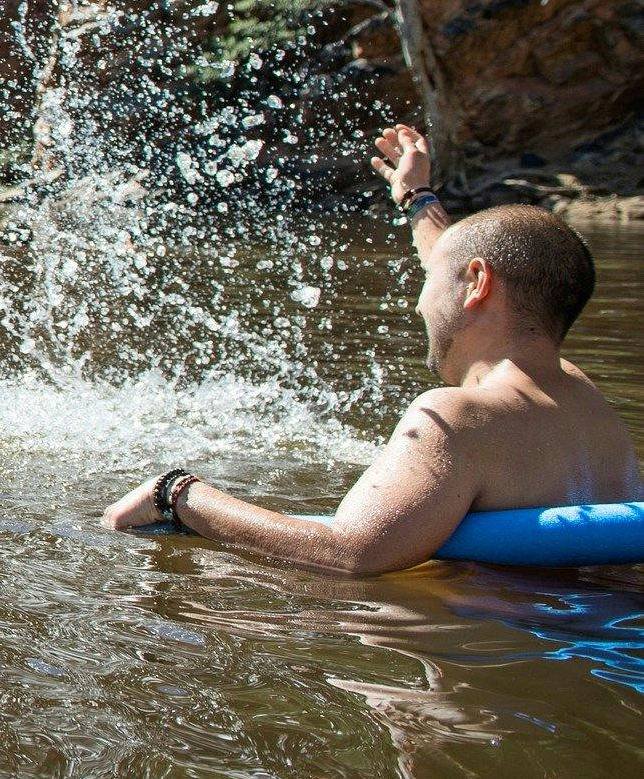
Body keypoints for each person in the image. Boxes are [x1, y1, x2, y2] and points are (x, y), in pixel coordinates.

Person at [103, 125, 643, 574]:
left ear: (477, 285)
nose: (419, 304)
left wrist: (177, 493)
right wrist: (416, 197)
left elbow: (351, 553)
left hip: (504, 665)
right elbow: (459, 262)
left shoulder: (457, 418)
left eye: (430, 283)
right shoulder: (583, 400)